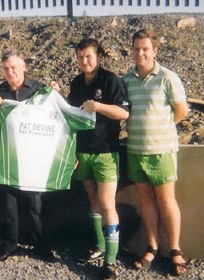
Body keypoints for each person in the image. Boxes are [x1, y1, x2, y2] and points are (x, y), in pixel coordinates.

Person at [122, 28, 189, 276]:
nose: (140, 53)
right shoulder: (125, 79)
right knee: (146, 201)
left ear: (154, 51)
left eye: (145, 49)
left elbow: (181, 111)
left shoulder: (168, 78)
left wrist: (161, 129)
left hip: (162, 150)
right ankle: (151, 246)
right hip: (136, 151)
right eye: (137, 48)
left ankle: (174, 249)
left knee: (166, 201)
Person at [0, 50, 59, 262]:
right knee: (9, 204)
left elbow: (56, 116)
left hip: (33, 156)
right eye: (6, 69)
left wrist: (55, 94)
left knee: (35, 204)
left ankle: (40, 245)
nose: (10, 72)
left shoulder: (39, 89)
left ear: (24, 67)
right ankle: (9, 245)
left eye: (14, 67)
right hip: (7, 156)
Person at [68, 38, 130, 280]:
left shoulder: (111, 80)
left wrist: (99, 106)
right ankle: (100, 246)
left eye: (89, 57)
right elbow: (72, 115)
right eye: (81, 57)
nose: (85, 61)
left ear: (99, 57)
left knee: (106, 203)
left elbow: (124, 112)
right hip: (83, 153)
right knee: (92, 199)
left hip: (106, 153)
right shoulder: (76, 82)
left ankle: (111, 262)